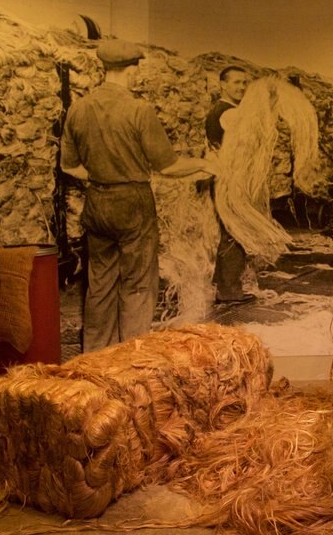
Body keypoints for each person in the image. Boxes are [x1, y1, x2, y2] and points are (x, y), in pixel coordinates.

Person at [61, 39, 215, 352]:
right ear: (132, 70)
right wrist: (204, 164)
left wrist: (101, 175)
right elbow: (169, 166)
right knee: (137, 285)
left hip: (97, 202)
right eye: (136, 68)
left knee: (99, 284)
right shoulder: (139, 110)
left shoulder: (78, 108)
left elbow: (69, 166)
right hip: (132, 203)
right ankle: (130, 357)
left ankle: (95, 356)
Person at [204, 66, 255, 304]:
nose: (241, 87)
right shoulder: (229, 113)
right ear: (222, 84)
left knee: (229, 232)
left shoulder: (218, 110)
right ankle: (230, 291)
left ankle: (224, 285)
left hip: (224, 178)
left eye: (244, 83)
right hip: (230, 180)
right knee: (234, 233)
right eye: (236, 82)